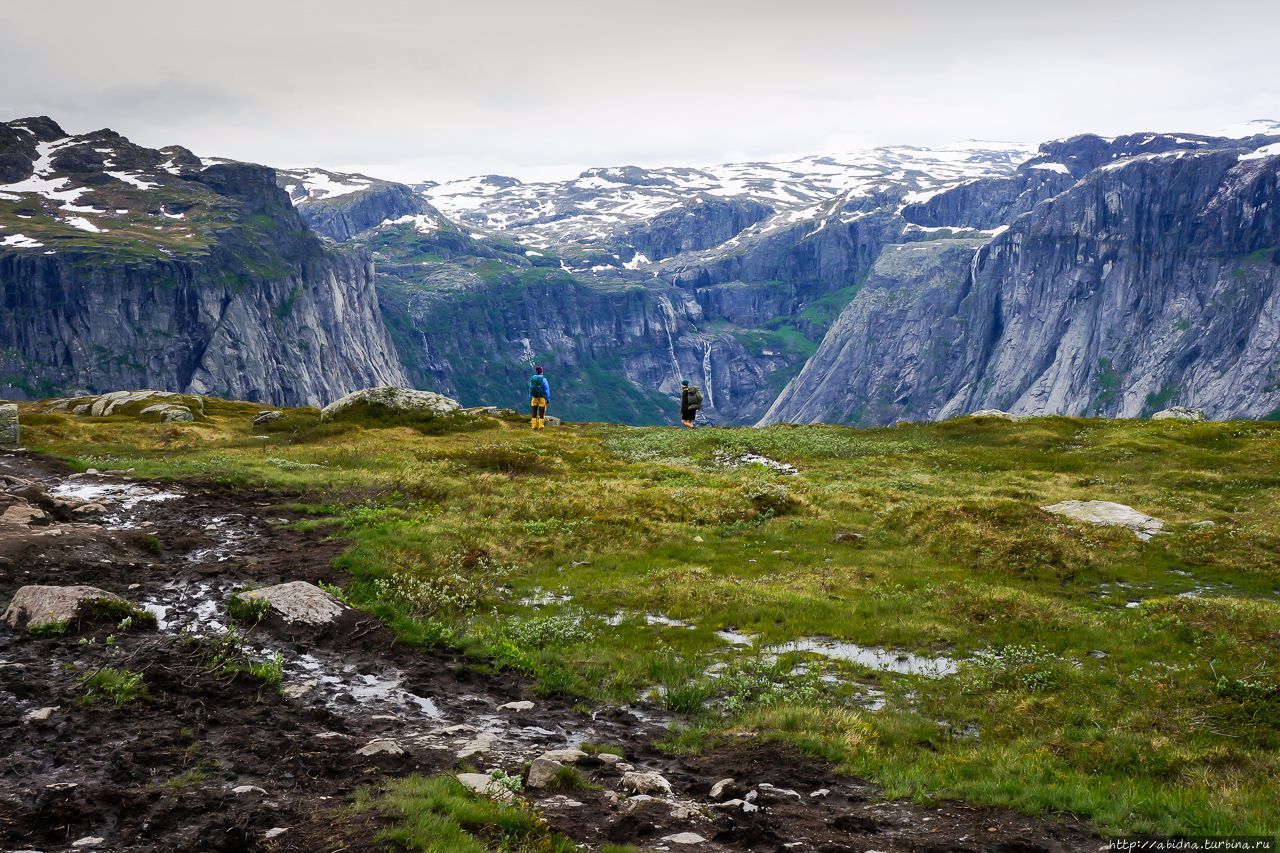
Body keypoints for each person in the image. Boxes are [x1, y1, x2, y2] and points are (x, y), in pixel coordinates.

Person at [529, 366, 551, 430]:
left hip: (534, 398)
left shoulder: (532, 378)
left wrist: (530, 397)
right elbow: (547, 390)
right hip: (541, 398)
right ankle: (541, 426)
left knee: (534, 413)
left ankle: (533, 426)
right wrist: (548, 399)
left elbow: (530, 388)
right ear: (541, 371)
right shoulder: (544, 379)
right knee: (541, 413)